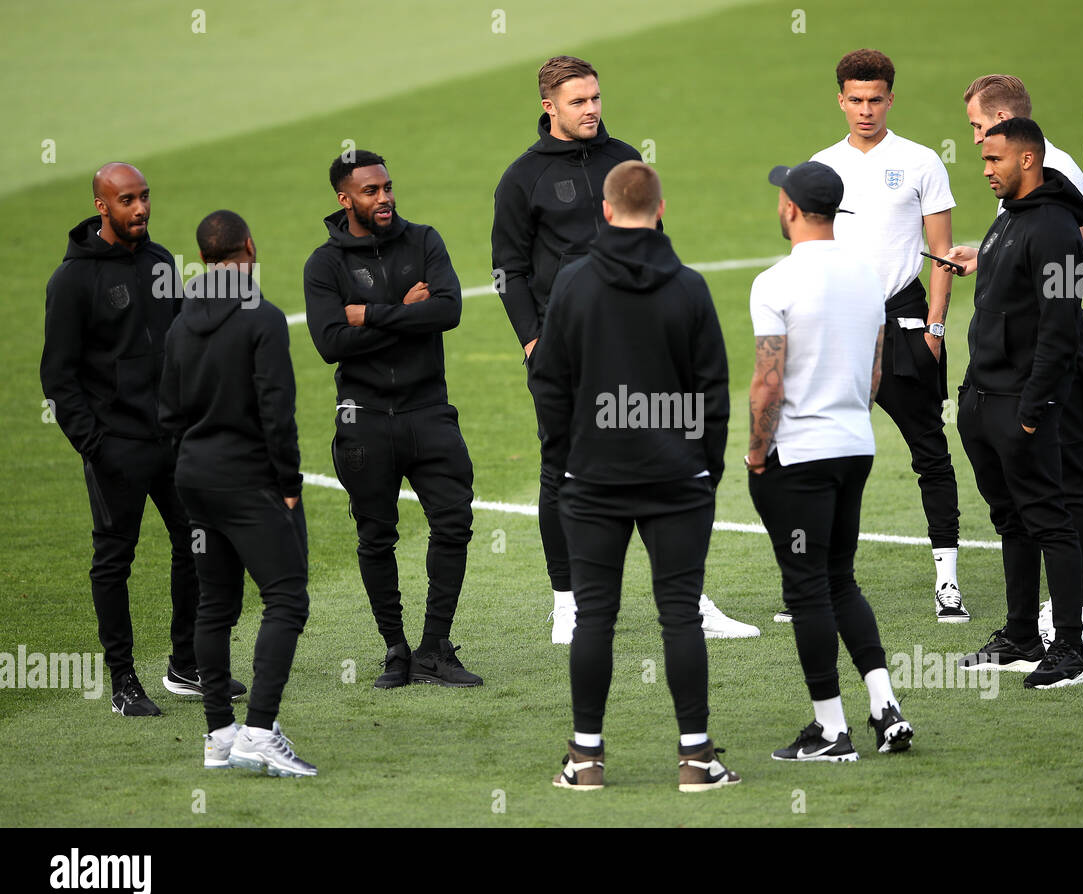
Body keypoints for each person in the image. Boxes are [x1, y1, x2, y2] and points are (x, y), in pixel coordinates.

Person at [493, 55, 756, 643]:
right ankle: (568, 604)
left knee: (667, 456)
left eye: (595, 98)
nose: (591, 109)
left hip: (642, 345)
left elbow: (657, 243)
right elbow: (508, 269)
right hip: (568, 351)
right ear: (549, 107)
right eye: (578, 101)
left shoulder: (624, 159)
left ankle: (690, 600)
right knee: (560, 466)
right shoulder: (522, 178)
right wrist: (535, 342)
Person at [528, 161, 740, 791]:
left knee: (594, 618)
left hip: (593, 479)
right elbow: (713, 392)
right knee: (680, 615)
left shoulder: (573, 282)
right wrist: (707, 468)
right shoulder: (690, 287)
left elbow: (550, 383)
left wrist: (566, 460)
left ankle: (586, 761)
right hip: (678, 479)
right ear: (661, 208)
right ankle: (697, 761)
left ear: (606, 209)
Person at [40, 162, 245, 716]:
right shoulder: (72, 281)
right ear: (103, 207)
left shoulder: (158, 262)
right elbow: (57, 378)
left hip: (173, 441)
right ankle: (123, 681)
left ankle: (185, 664)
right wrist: (95, 444)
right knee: (114, 561)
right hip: (117, 447)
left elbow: (180, 342)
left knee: (196, 544)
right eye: (128, 200)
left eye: (145, 197)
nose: (142, 209)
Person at [748, 161, 913, 759]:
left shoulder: (774, 282)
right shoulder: (868, 278)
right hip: (854, 446)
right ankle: (884, 706)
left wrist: (755, 451)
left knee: (807, 590)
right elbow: (872, 374)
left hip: (799, 456)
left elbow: (767, 384)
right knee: (840, 579)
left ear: (790, 208)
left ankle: (832, 731)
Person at [304, 150, 481, 690]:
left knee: (453, 522)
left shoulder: (424, 240)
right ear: (345, 199)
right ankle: (395, 650)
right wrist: (407, 313)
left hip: (429, 412)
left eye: (387, 188)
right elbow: (330, 343)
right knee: (375, 536)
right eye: (370, 191)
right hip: (364, 420)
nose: (384, 198)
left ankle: (435, 648)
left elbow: (448, 310)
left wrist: (372, 313)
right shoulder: (324, 264)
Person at [955, 75, 1083, 648]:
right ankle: (1022, 632)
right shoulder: (1011, 213)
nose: (983, 166)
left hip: (1026, 397)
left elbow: (1057, 324)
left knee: (1055, 509)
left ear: (1028, 158)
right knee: (1016, 518)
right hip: (990, 395)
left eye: (992, 153)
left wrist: (1030, 411)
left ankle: (1075, 640)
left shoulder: (1051, 221)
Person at [808, 48, 967, 624]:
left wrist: (936, 327)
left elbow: (943, 254)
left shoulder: (922, 162)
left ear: (891, 99)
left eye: (876, 99)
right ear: (841, 100)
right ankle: (820, 582)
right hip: (840, 328)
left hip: (905, 324)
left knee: (931, 453)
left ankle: (947, 583)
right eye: (856, 99)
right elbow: (810, 253)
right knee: (824, 456)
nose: (866, 110)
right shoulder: (821, 168)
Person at [159, 211, 315, 777]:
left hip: (194, 482)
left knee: (215, 606)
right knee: (287, 597)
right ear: (250, 246)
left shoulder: (180, 323)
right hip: (248, 482)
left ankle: (219, 735)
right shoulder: (263, 318)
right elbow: (278, 411)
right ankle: (260, 730)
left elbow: (169, 412)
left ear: (203, 258)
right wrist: (289, 485)